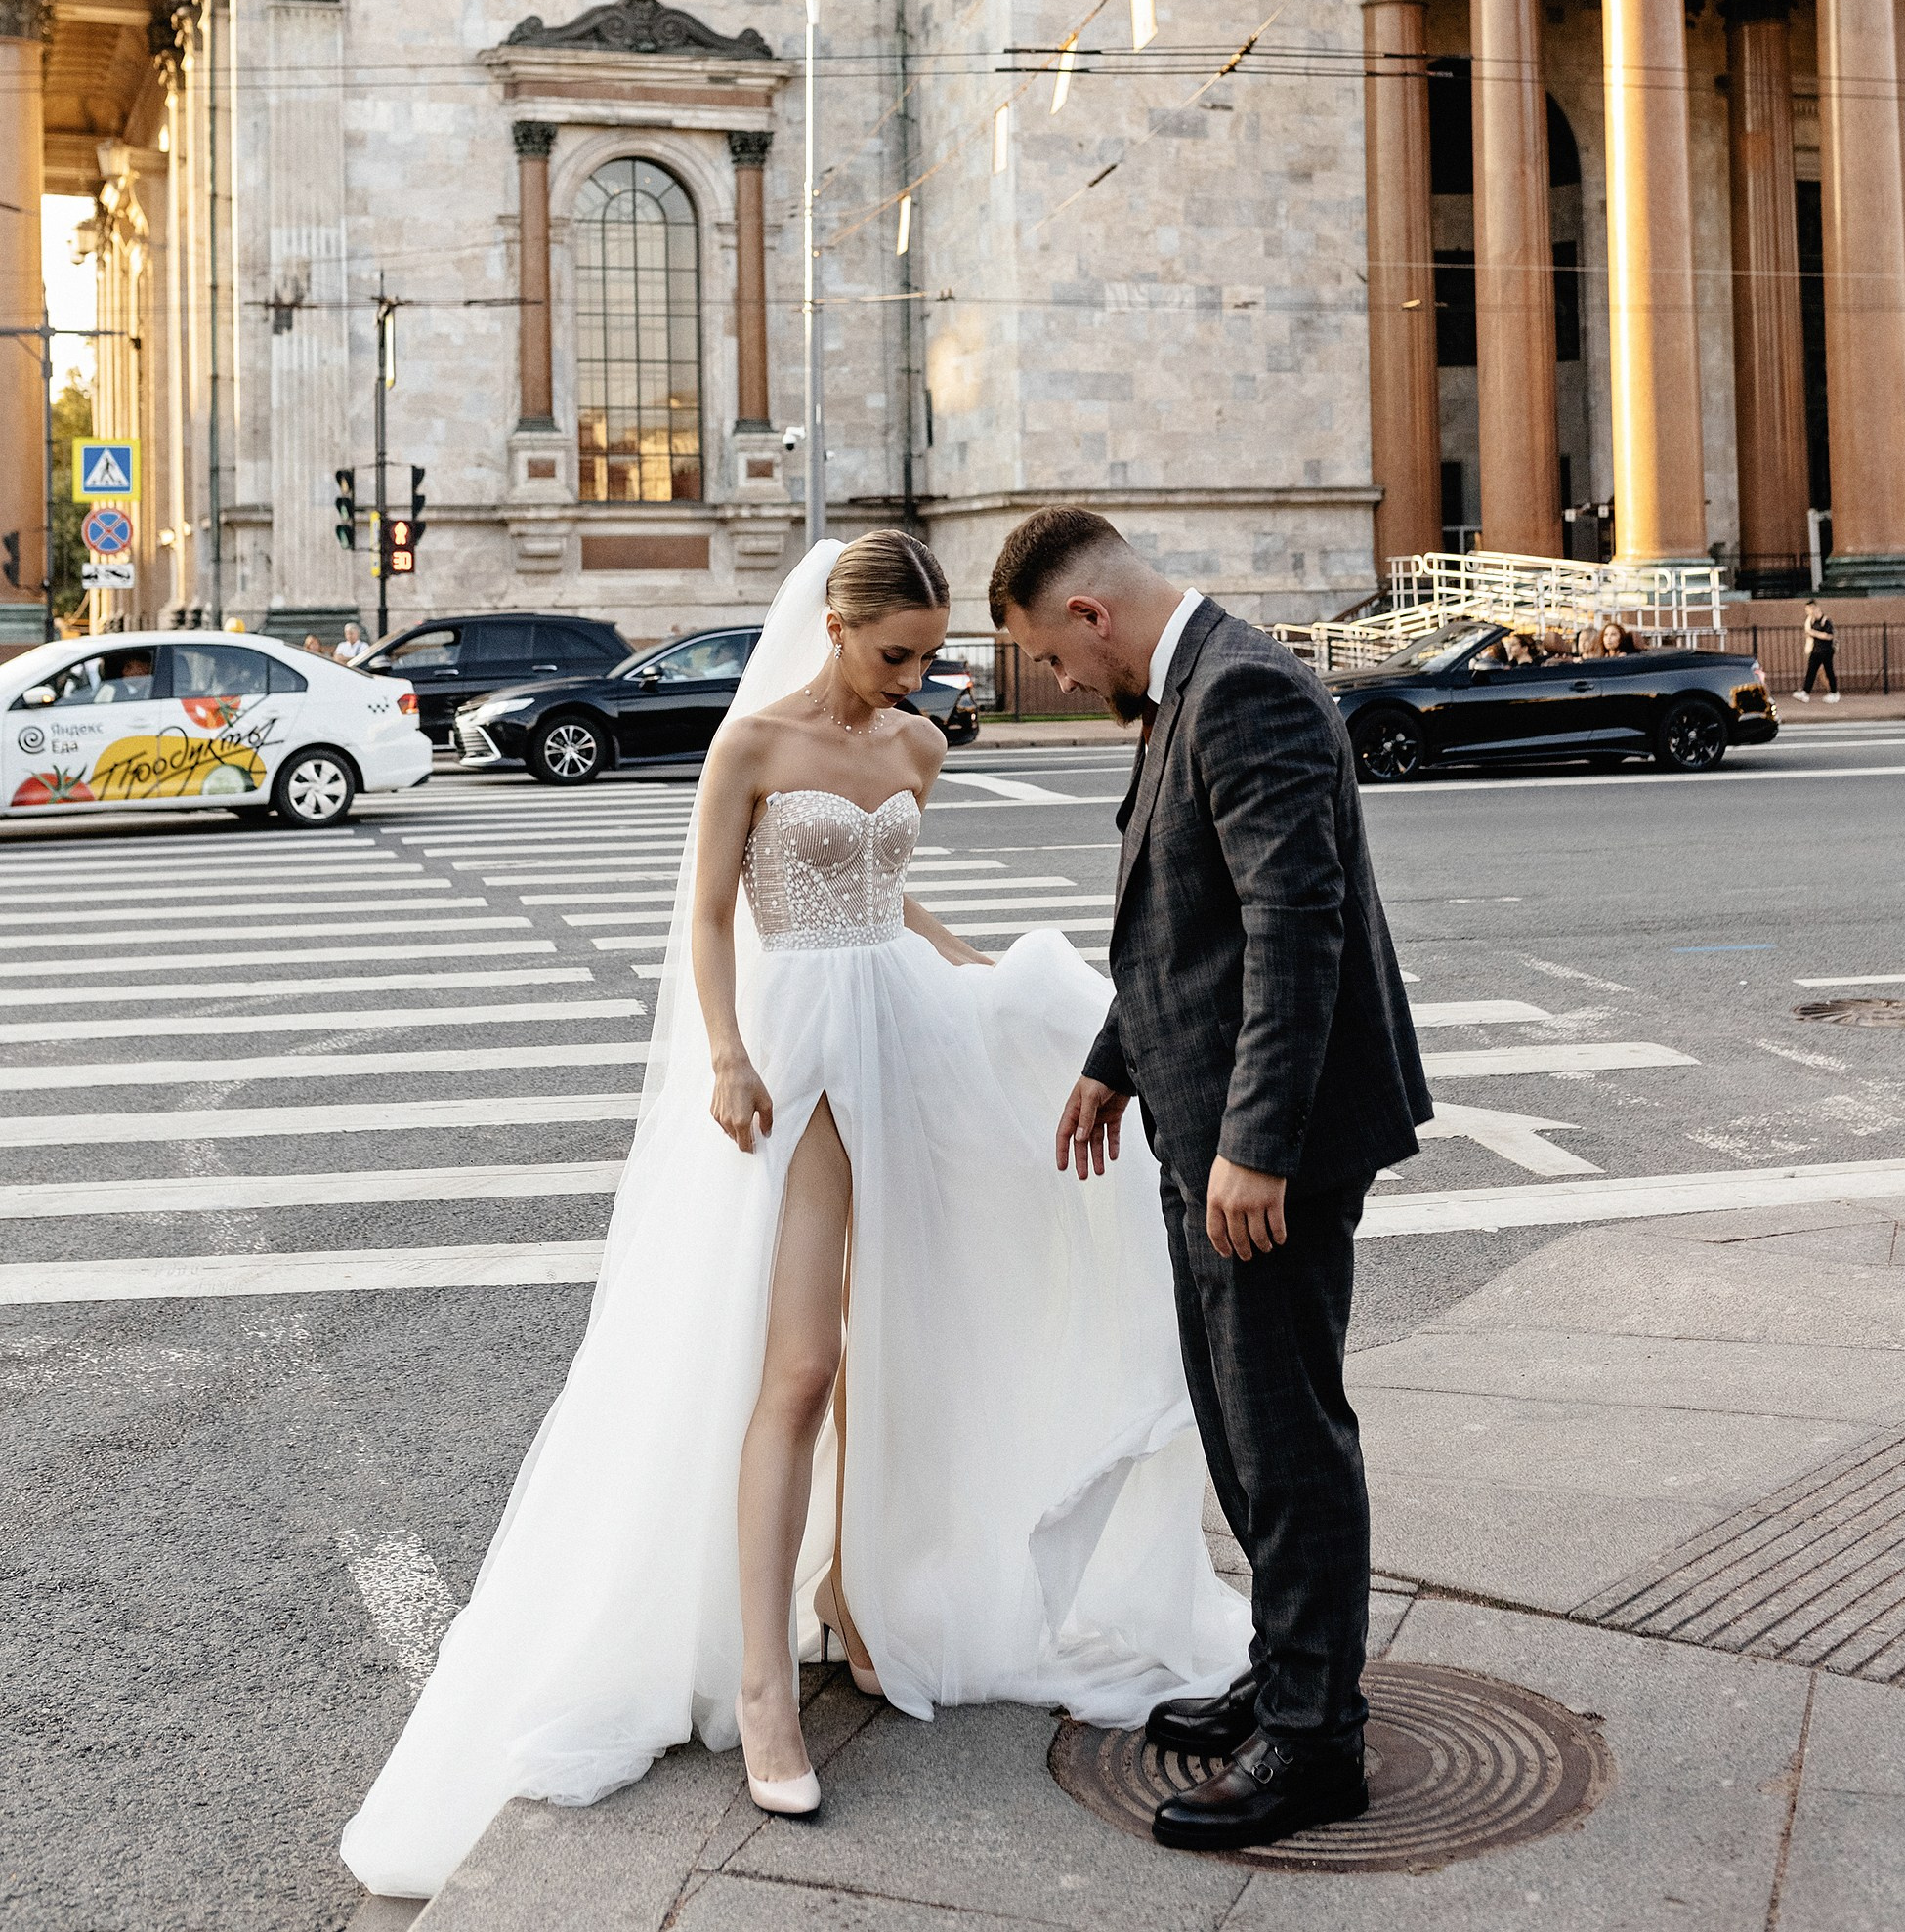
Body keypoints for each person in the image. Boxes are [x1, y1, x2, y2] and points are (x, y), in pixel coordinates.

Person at [341, 533, 1247, 1900]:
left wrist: (976, 970)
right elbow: (706, 916)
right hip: (794, 1048)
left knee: (900, 1343)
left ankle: (858, 1605)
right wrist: (723, 1053)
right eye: (897, 655)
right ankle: (767, 1681)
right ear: (833, 624)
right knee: (800, 1366)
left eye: (931, 659)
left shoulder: (918, 749)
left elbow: (892, 891)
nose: (917, 681)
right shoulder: (751, 745)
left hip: (905, 1029)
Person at [991, 509, 1430, 1854]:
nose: (1063, 687)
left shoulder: (1241, 690)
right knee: (1243, 1427)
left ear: (1091, 618)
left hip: (1267, 1146)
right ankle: (1290, 1674)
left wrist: (1259, 1146)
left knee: (1286, 1435)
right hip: (1206, 1120)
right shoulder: (1193, 685)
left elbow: (1297, 928)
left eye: (1052, 662)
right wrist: (1115, 1057)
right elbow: (1183, 917)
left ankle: (1314, 1746)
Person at [1796, 599, 1839, 702]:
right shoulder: (1812, 621)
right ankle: (1806, 692)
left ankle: (1834, 692)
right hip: (1816, 650)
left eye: (1808, 610)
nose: (1807, 612)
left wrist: (1813, 633)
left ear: (1814, 609)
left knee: (1829, 671)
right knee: (1811, 671)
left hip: (1826, 650)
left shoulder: (1825, 621)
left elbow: (1829, 636)